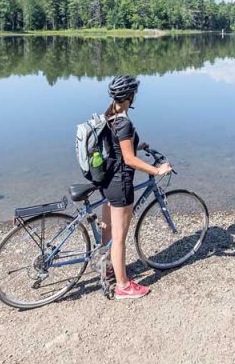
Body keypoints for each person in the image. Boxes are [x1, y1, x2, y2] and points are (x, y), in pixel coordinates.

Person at [100, 74, 172, 300]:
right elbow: (129, 160)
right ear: (130, 96)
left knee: (108, 230)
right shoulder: (125, 122)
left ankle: (108, 267)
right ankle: (122, 286)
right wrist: (156, 170)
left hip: (106, 179)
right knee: (119, 237)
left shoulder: (109, 116)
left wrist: (137, 145)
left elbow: (117, 148)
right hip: (120, 183)